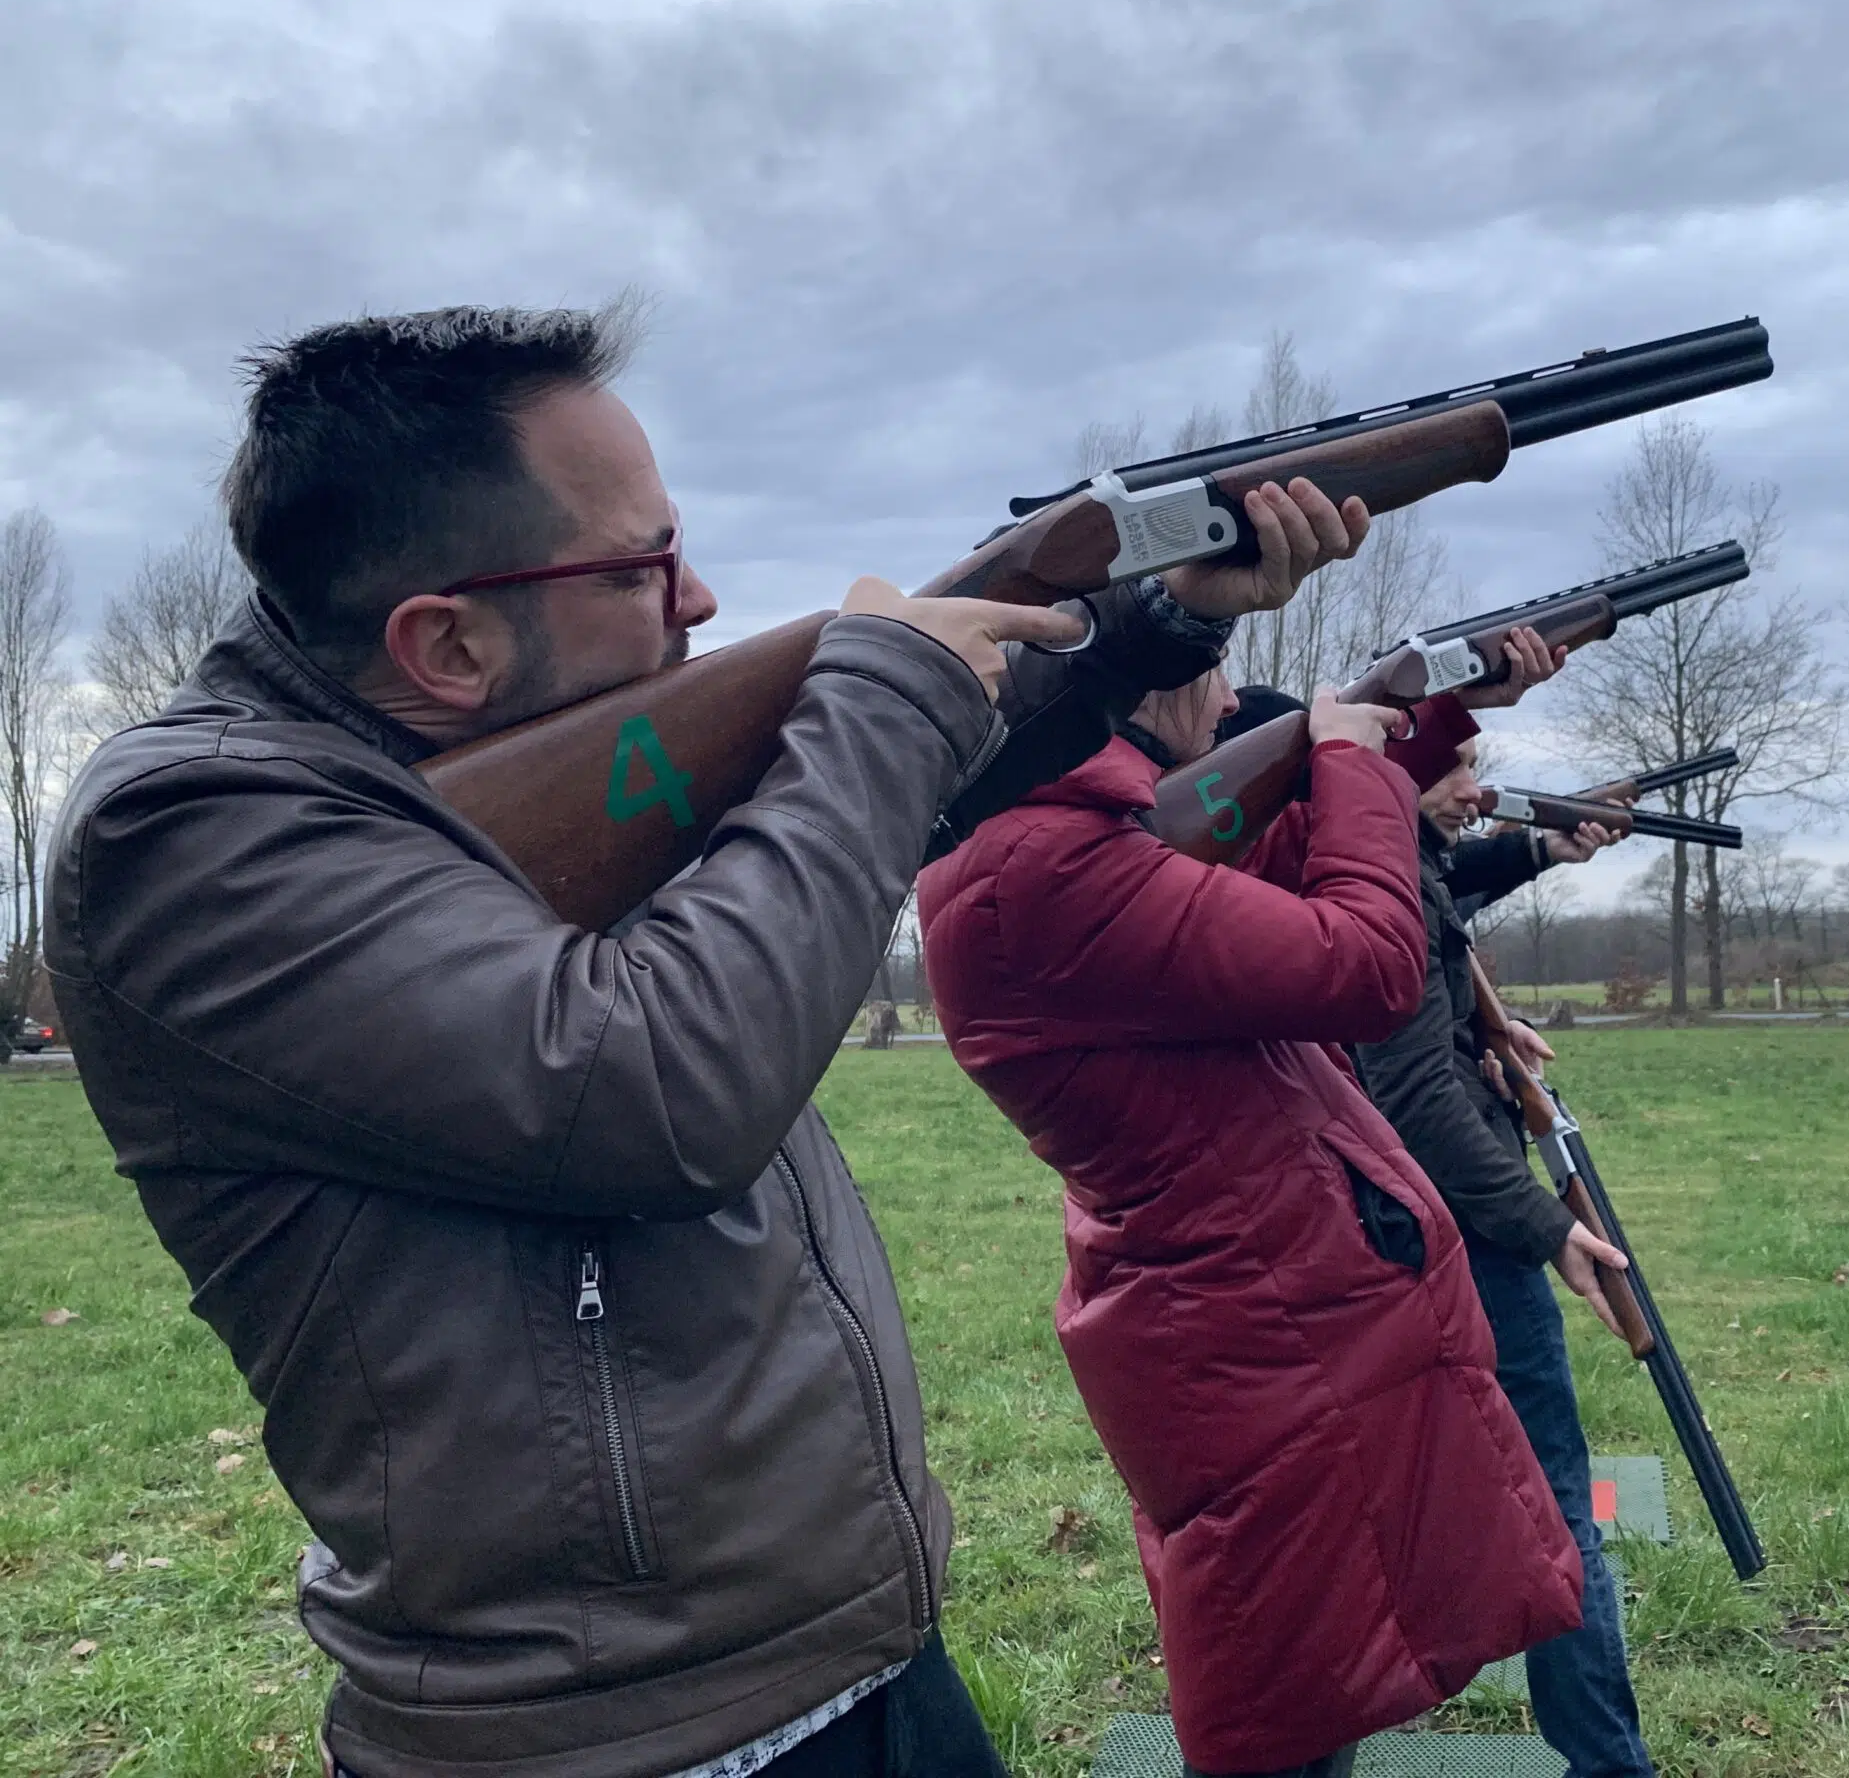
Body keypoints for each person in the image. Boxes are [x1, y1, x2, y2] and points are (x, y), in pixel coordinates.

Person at [43, 302, 1365, 1778]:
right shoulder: (193, 836)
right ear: (449, 643)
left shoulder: (510, 759)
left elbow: (886, 795)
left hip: (853, 1655)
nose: (702, 597)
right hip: (615, 1739)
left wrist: (1154, 623)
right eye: (643, 567)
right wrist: (878, 697)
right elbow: (658, 1089)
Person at [915, 659, 1583, 1778]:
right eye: (1212, 671)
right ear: (1140, 683)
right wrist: (1347, 759)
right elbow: (1367, 968)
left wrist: (1431, 718)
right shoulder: (1051, 869)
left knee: (1322, 1685)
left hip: (1267, 1322)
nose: (1231, 703)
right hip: (1256, 1338)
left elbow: (1270, 873)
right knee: (1290, 1703)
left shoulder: (1075, 854)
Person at [1351, 701, 1652, 1778]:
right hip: (1461, 1220)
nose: (1474, 790)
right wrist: (1544, 1228)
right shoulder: (1381, 878)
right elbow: (1410, 1087)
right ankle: (1607, 1764)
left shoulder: (1367, 864)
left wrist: (1539, 847)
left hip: (1396, 1218)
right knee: (1557, 1504)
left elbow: (1440, 897)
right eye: (1452, 767)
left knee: (1397, 1496)